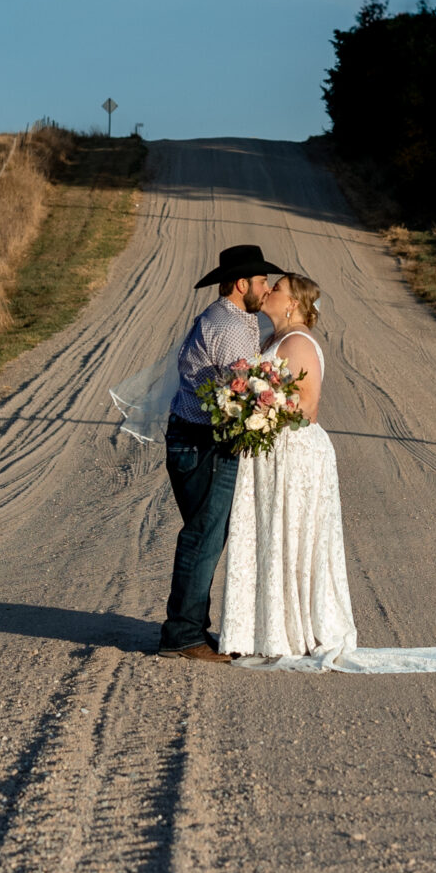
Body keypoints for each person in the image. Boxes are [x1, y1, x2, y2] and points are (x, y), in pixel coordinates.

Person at [213, 274, 436, 675]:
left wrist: (257, 411)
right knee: (274, 537)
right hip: (274, 452)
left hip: (296, 456)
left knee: (293, 538)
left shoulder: (298, 343)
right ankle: (269, 628)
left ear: (291, 304)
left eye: (276, 288)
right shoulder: (272, 340)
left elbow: (308, 408)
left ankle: (292, 633)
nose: (268, 291)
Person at [154, 242, 282, 661]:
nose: (267, 288)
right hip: (202, 442)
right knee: (204, 536)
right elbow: (241, 391)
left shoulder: (235, 318)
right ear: (241, 283)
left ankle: (189, 629)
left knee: (207, 533)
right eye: (262, 281)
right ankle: (184, 635)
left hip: (200, 439)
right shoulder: (227, 327)